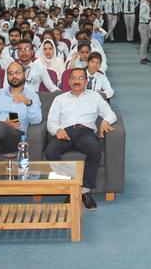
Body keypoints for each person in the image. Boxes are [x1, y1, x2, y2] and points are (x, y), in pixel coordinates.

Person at [45, 67, 117, 211]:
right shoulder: (59, 99)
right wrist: (57, 130)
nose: (76, 81)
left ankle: (84, 190)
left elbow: (111, 114)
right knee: (50, 152)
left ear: (86, 81)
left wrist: (105, 121)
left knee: (94, 149)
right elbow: (50, 121)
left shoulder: (95, 97)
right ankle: (69, 187)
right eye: (73, 78)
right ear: (69, 81)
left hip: (86, 132)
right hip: (65, 132)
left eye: (80, 78)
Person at [138, 0, 151, 64]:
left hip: (147, 24)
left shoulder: (148, 5)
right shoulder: (144, 5)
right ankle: (142, 58)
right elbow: (141, 15)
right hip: (143, 24)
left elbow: (146, 14)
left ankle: (145, 57)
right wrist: (149, 18)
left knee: (146, 42)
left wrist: (149, 17)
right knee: (144, 42)